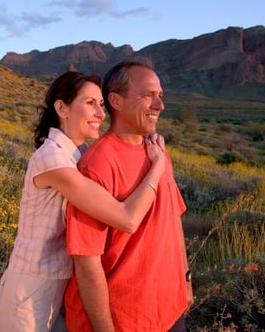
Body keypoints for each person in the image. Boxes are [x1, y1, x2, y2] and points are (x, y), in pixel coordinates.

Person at [0, 71, 167, 331]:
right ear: (62, 108)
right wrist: (158, 166)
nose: (101, 113)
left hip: (63, 283)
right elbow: (127, 218)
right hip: (31, 288)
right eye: (90, 103)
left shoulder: (80, 154)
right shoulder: (51, 159)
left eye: (101, 104)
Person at [64, 60, 194, 332]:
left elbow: (173, 219)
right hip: (123, 321)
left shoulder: (158, 151)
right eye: (148, 96)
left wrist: (185, 280)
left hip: (169, 310)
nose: (160, 105)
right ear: (116, 101)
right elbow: (87, 262)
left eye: (159, 96)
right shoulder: (97, 164)